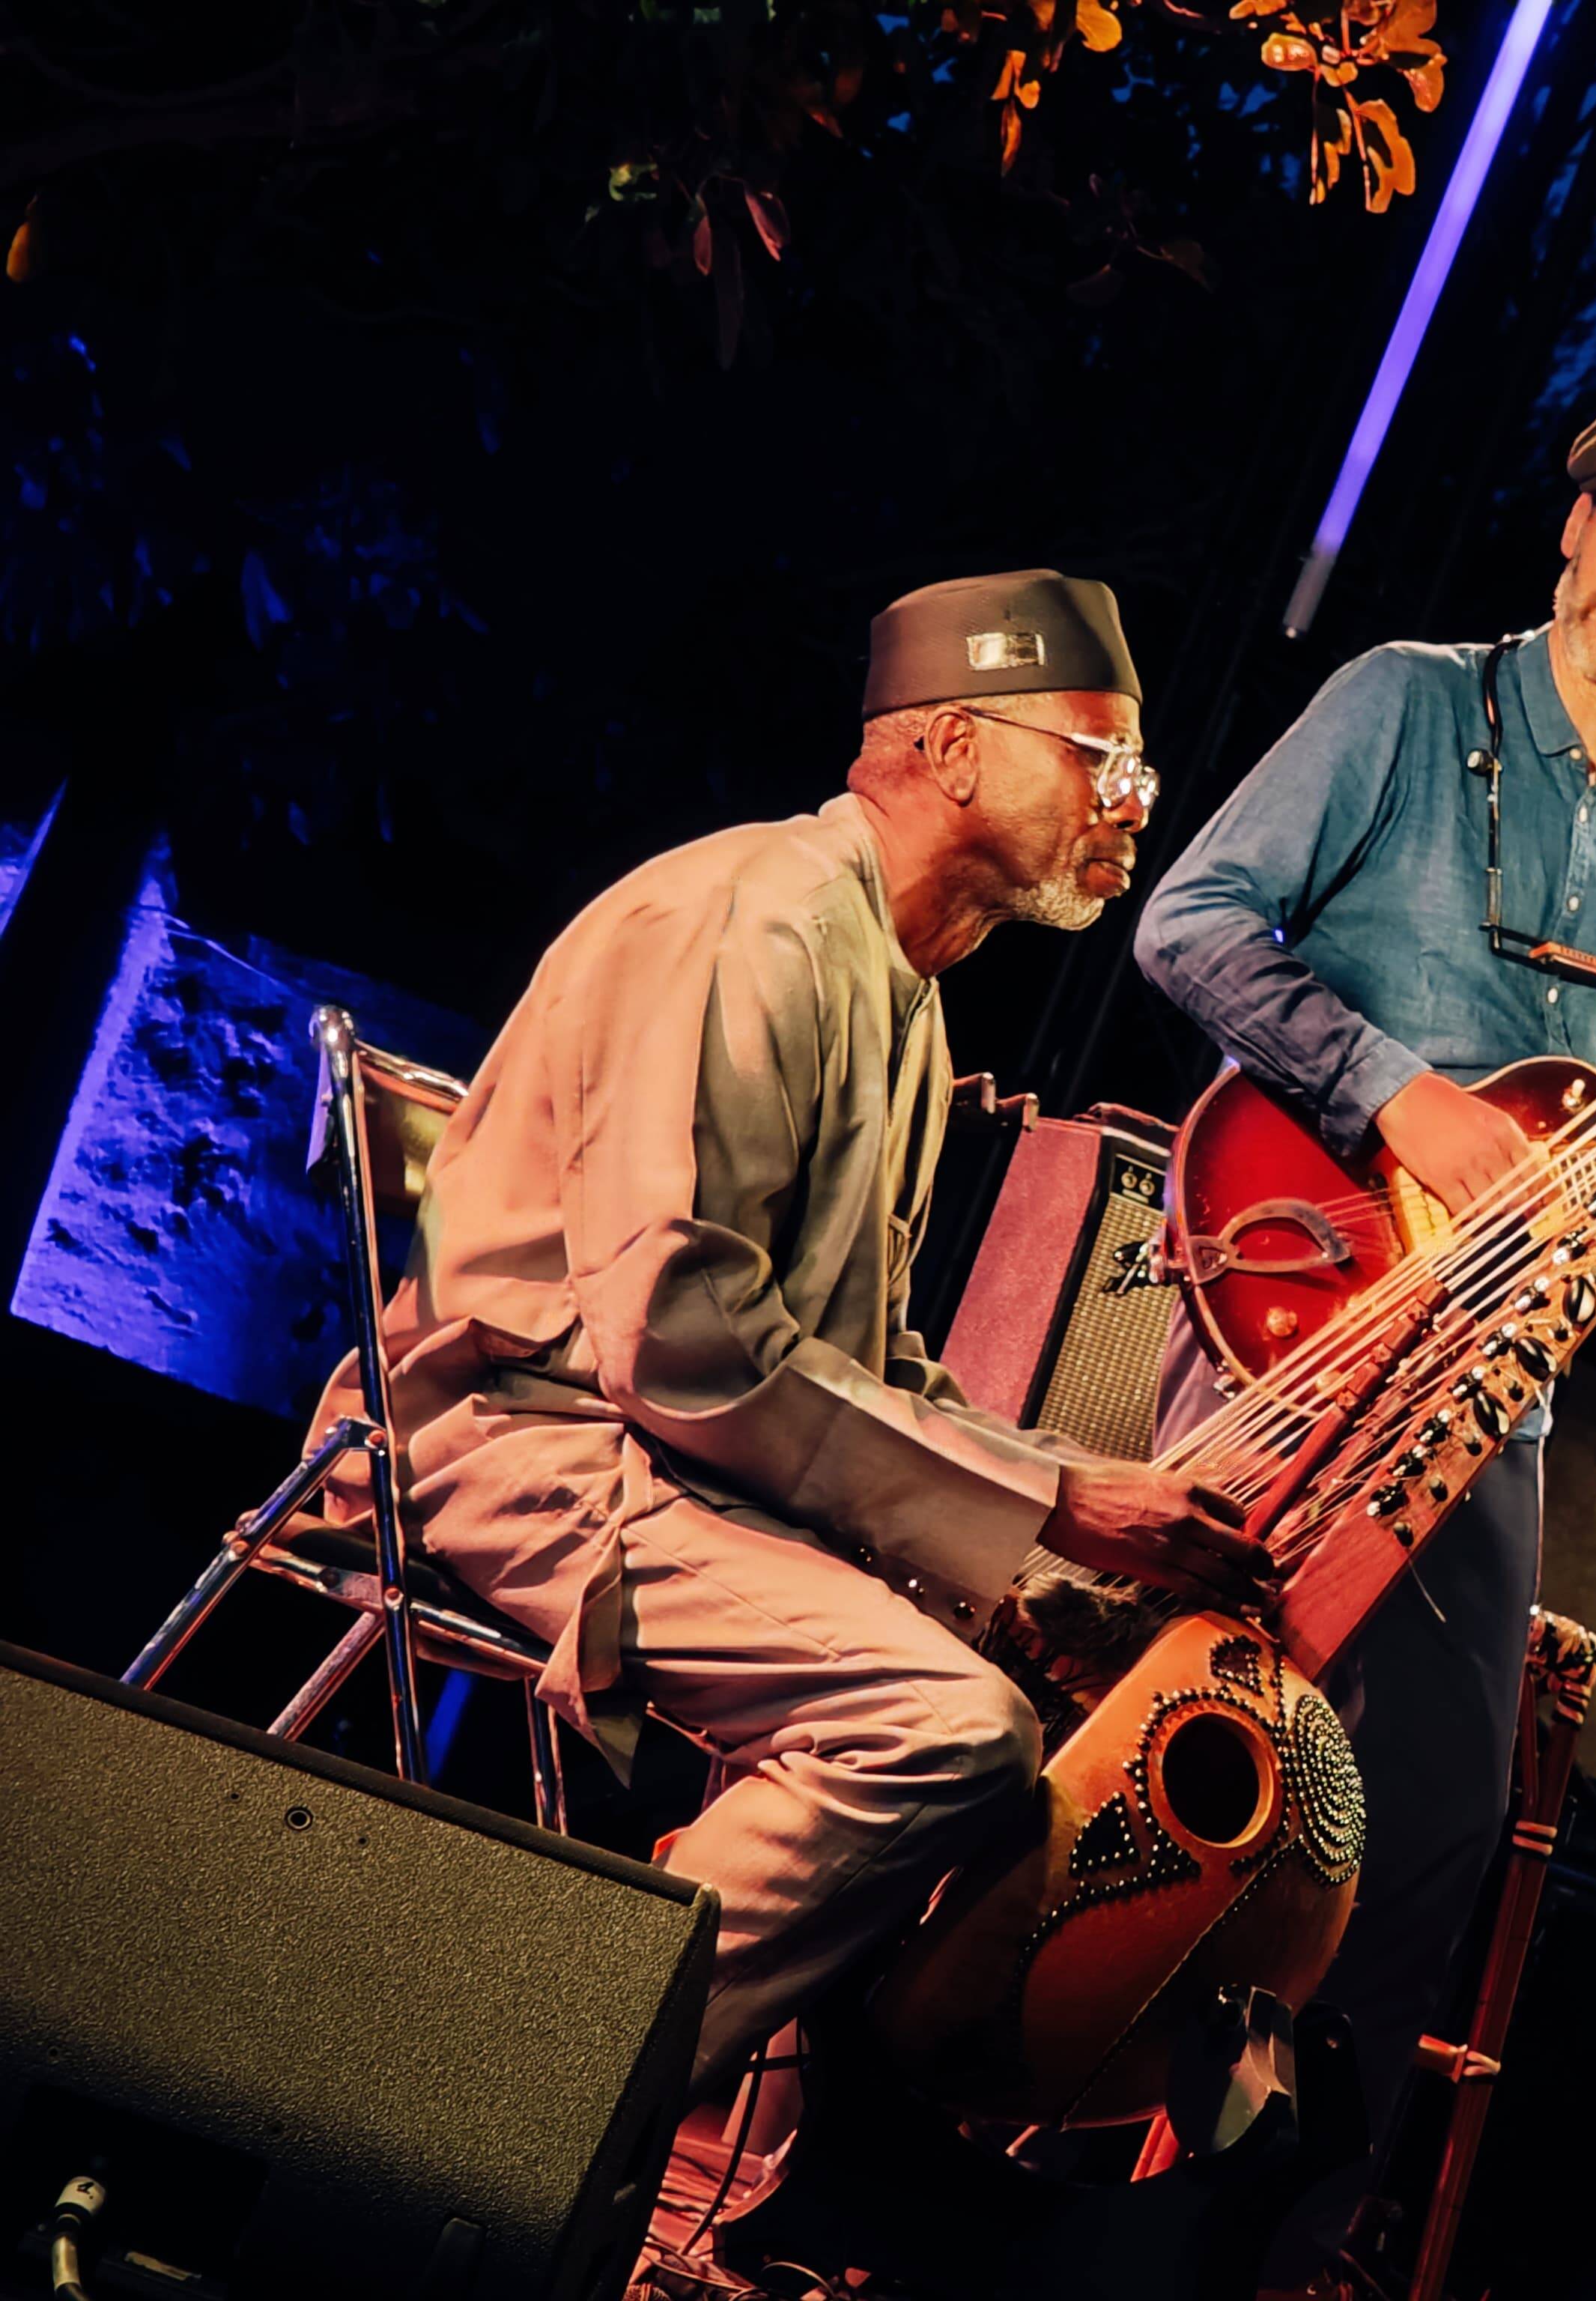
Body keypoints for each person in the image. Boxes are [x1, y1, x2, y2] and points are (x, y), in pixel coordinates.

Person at [315, 571, 1275, 2098]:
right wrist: (1051, 1499)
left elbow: (859, 1359)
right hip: (525, 1446)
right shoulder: (751, 921)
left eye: (1139, 778)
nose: (1132, 807)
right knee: (942, 1730)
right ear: (952, 746)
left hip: (676, 1462)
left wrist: (1040, 1564)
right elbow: (682, 1341)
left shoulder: (899, 989)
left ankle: (733, 2147)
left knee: (1055, 1704)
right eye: (1103, 759)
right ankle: (507, 2097)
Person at [1132, 401, 1596, 2270]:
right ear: (1572, 534)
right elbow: (1188, 921)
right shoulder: (1402, 700)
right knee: (1176, 1734)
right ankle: (1033, 2143)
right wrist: (1398, 1095)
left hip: (1493, 1374)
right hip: (1292, 1295)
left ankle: (1255, 2238)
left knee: (1438, 1819)